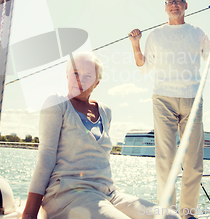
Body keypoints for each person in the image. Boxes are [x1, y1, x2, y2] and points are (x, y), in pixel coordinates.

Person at [22, 52, 180, 219]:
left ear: (96, 83)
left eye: (88, 76)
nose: (80, 80)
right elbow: (46, 156)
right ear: (67, 75)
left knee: (170, 217)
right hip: (68, 194)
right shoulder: (57, 104)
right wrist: (30, 213)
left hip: (108, 194)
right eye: (75, 73)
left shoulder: (105, 112)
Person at [128, 0, 210, 218]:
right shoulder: (156, 35)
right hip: (163, 99)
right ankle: (168, 213)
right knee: (165, 160)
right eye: (170, 2)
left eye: (178, 1)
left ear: (186, 6)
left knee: (193, 161)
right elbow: (143, 67)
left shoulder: (196, 33)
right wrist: (135, 44)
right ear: (165, 7)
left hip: (192, 98)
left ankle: (188, 213)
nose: (174, 5)